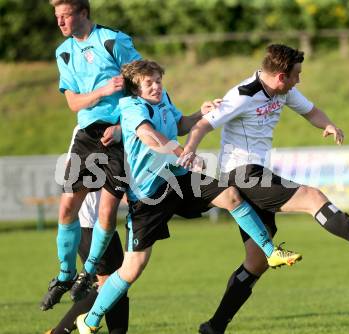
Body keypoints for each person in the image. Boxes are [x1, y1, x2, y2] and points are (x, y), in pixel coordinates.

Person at [180, 43, 349, 333]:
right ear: (281, 76)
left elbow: (311, 111)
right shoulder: (243, 95)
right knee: (312, 197)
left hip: (255, 173)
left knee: (256, 261)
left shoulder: (284, 91)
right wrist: (190, 149)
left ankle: (214, 326)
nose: (299, 80)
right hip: (242, 174)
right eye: (296, 75)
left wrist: (327, 124)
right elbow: (203, 125)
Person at [74, 59, 302, 333]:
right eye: (150, 83)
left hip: (178, 180)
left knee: (230, 195)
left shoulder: (164, 99)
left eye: (158, 81)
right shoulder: (131, 107)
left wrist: (199, 113)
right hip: (150, 195)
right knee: (133, 267)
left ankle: (271, 251)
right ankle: (89, 319)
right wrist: (181, 152)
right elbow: (148, 135)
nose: (157, 87)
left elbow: (179, 124)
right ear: (136, 88)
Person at [40, 0, 142, 311]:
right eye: (57, 16)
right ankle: (64, 274)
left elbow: (143, 85)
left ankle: (88, 273)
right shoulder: (63, 52)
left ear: (83, 12)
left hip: (117, 135)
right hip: (86, 135)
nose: (60, 22)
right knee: (67, 207)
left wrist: (125, 128)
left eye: (65, 15)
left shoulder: (113, 41)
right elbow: (73, 104)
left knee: (107, 213)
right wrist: (101, 92)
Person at [45, 126, 129, 334]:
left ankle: (58, 332)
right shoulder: (88, 126)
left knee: (114, 284)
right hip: (90, 222)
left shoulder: (121, 124)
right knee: (113, 284)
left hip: (100, 223)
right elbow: (72, 171)